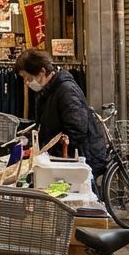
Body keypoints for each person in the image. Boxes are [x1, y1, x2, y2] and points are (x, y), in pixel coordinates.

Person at [17, 49, 109, 178]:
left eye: (29, 78)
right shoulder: (47, 91)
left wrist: (53, 152)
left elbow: (76, 130)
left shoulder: (66, 91)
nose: (27, 82)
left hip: (81, 157)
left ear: (42, 71)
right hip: (63, 158)